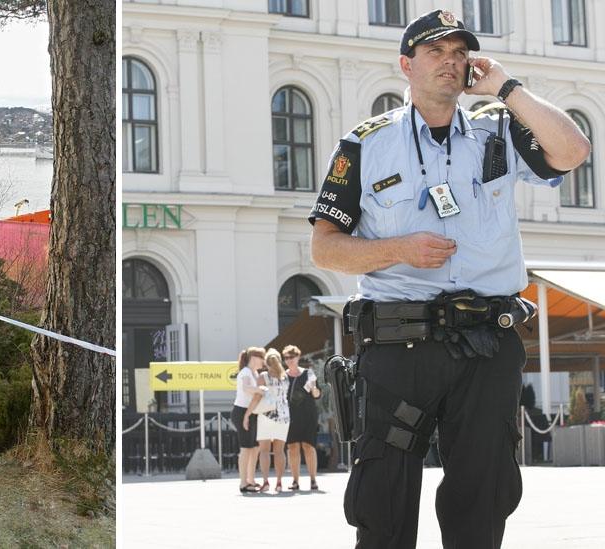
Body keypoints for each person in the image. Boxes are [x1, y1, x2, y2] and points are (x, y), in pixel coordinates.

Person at [308, 9, 590, 549]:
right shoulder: (365, 144)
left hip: (486, 344)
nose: (451, 63)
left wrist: (506, 87)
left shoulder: (499, 130)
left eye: (460, 53)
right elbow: (324, 248)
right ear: (405, 66)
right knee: (383, 499)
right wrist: (399, 249)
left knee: (483, 498)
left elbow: (573, 151)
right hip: (399, 345)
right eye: (435, 52)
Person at [243, 347, 290, 493]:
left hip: (267, 416)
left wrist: (247, 415)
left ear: (266, 363)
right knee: (279, 451)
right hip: (284, 417)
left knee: (264, 451)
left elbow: (257, 397)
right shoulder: (285, 377)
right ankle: (280, 483)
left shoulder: (263, 376)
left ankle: (265, 482)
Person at [282, 345, 321, 492]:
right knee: (292, 448)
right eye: (286, 358)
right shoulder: (282, 375)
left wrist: (314, 389)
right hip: (289, 416)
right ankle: (295, 481)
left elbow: (317, 395)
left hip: (308, 415)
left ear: (298, 357)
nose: (289, 360)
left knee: (308, 447)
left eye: (291, 357)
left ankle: (313, 480)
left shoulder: (308, 374)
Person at [231, 346, 266, 493]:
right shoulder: (245, 372)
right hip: (241, 412)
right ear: (253, 358)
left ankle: (250, 480)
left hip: (252, 412)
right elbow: (246, 388)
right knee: (246, 448)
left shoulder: (254, 372)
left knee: (254, 448)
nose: (263, 361)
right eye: (261, 357)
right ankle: (243, 483)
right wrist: (261, 389)